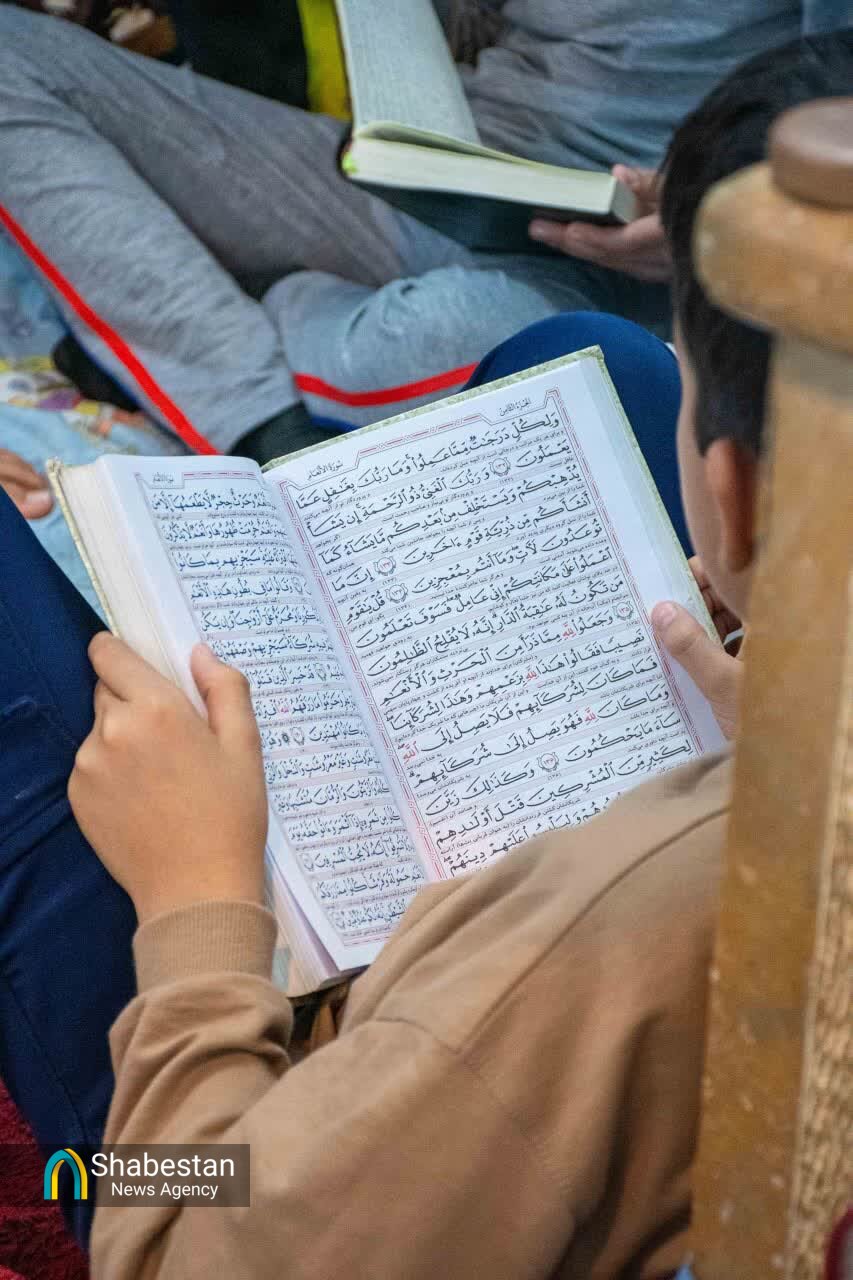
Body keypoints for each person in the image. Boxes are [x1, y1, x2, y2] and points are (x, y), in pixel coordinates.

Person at [2, 27, 849, 1275]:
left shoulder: (586, 946)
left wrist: (197, 901)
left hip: (222, 1164)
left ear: (733, 495)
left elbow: (199, 1253)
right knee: (594, 363)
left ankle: (73, 1164)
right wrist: (781, 705)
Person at [0, 2, 848, 464]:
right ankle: (228, 353)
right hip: (438, 165)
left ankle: (233, 360)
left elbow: (822, 123)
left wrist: (698, 218)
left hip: (634, 253)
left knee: (539, 355)